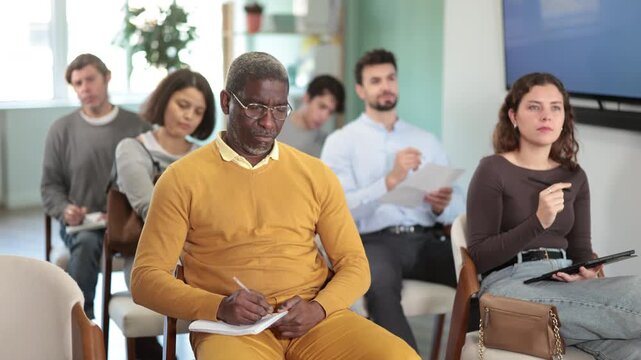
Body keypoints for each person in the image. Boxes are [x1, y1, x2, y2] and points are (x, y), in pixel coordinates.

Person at [130, 51, 418, 359]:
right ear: (227, 102)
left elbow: (356, 266)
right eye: (255, 107)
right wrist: (219, 306)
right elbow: (145, 278)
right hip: (231, 330)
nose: (269, 122)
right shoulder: (181, 179)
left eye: (280, 109)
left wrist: (319, 308)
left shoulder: (316, 174)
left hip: (315, 322)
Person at [467, 72, 641, 359]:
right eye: (534, 107)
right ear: (514, 116)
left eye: (555, 107)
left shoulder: (574, 175)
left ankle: (572, 325)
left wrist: (585, 272)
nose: (545, 116)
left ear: (564, 119)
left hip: (565, 281)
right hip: (510, 286)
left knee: (633, 349)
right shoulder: (492, 170)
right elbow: (480, 256)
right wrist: (538, 222)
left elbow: (581, 249)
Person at [320, 48, 465, 351]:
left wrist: (441, 205)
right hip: (373, 243)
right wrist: (390, 180)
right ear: (361, 89)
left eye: (390, 78)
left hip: (426, 240)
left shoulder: (426, 140)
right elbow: (338, 209)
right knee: (380, 291)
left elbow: (459, 205)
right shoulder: (341, 142)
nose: (385, 86)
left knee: (478, 275)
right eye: (375, 81)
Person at [113, 68, 215, 359]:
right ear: (164, 100)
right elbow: (150, 210)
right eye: (182, 105)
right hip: (151, 261)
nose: (188, 116)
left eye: (197, 111)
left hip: (203, 257)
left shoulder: (204, 156)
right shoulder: (132, 149)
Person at [41, 53, 150, 319]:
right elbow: (50, 186)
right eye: (77, 83)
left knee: (152, 249)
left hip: (130, 222)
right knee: (88, 242)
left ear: (107, 78)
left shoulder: (137, 125)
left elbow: (153, 178)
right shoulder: (61, 130)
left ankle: (147, 339)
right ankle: (81, 328)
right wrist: (66, 210)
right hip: (84, 225)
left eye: (90, 79)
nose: (84, 88)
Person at [277, 74, 345, 157]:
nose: (324, 116)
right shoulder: (275, 125)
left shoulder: (325, 145)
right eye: (322, 106)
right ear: (307, 98)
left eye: (330, 112)